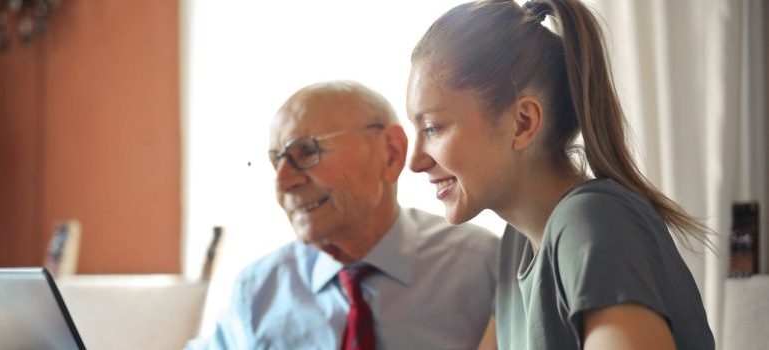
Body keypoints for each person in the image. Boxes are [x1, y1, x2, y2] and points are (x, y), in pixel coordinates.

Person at [405, 0, 715, 349]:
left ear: (522, 123)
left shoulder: (592, 222)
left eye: (432, 127)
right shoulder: (518, 243)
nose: (415, 161)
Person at [185, 80, 499, 350]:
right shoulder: (258, 290)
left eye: (306, 152)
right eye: (276, 161)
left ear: (390, 153)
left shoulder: (484, 267)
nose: (283, 181)